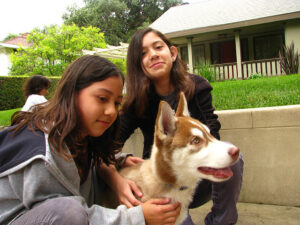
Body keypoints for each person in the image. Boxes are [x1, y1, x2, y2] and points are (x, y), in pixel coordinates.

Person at [0, 55, 181, 225]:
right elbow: (67, 217)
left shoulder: (80, 136)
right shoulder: (43, 154)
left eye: (116, 103)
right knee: (68, 211)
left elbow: (89, 166)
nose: (111, 111)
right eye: (102, 99)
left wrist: (118, 163)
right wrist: (138, 216)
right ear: (72, 93)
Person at [117, 28, 244, 225]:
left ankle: (222, 221)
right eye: (143, 53)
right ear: (138, 65)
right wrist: (119, 164)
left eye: (158, 47)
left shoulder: (196, 86)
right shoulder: (136, 101)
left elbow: (213, 131)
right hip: (162, 182)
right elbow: (111, 143)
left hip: (199, 175)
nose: (153, 54)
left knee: (234, 160)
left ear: (173, 53)